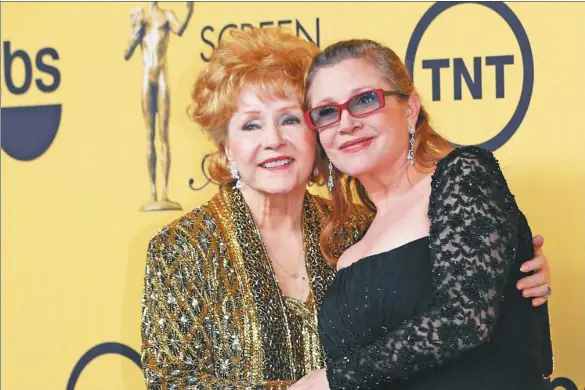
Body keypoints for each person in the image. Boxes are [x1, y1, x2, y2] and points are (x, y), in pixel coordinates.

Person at [140, 28, 552, 389]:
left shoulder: (354, 226)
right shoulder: (181, 248)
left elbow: (447, 302)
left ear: (314, 135)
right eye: (250, 125)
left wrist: (513, 267)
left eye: (289, 120)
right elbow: (174, 382)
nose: (273, 140)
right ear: (227, 147)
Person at [292, 39, 554, 389]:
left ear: (410, 108)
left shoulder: (462, 175)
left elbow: (465, 320)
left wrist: (331, 380)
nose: (346, 122)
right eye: (327, 112)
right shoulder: (351, 243)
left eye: (365, 100)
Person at [124, 1, 194, 211]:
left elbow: (179, 29)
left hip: (162, 75)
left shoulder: (166, 15)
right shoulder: (140, 18)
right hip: (147, 77)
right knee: (149, 134)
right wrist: (136, 31)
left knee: (163, 134)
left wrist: (190, 10)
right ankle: (153, 193)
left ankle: (164, 193)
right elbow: (127, 52)